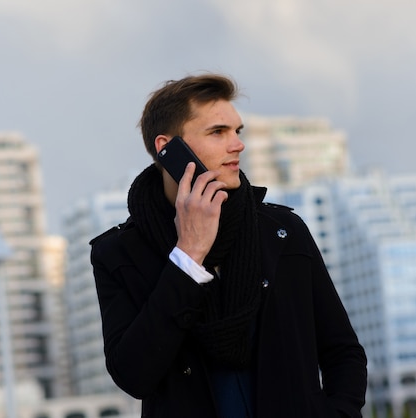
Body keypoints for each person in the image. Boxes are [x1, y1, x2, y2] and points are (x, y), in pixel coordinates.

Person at [90, 73, 367, 418]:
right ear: (167, 148)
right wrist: (188, 257)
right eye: (218, 132)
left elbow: (343, 353)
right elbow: (134, 376)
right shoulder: (118, 254)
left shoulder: (282, 233)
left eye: (237, 132)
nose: (237, 144)